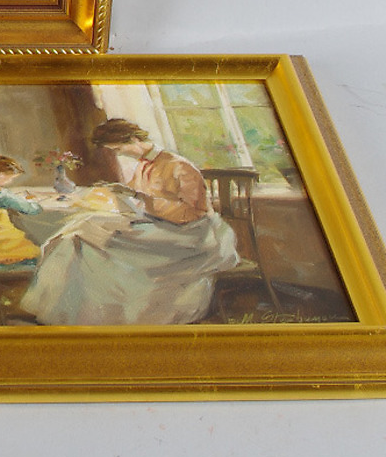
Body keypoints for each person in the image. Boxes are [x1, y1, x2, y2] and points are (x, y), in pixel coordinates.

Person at [20, 118, 238, 325]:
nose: (119, 154)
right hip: (156, 224)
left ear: (133, 139)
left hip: (190, 234)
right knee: (79, 230)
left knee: (90, 239)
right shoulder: (143, 166)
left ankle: (104, 314)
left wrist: (142, 199)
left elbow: (195, 212)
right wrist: (123, 193)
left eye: (118, 149)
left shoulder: (179, 166)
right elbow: (138, 198)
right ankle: (59, 309)